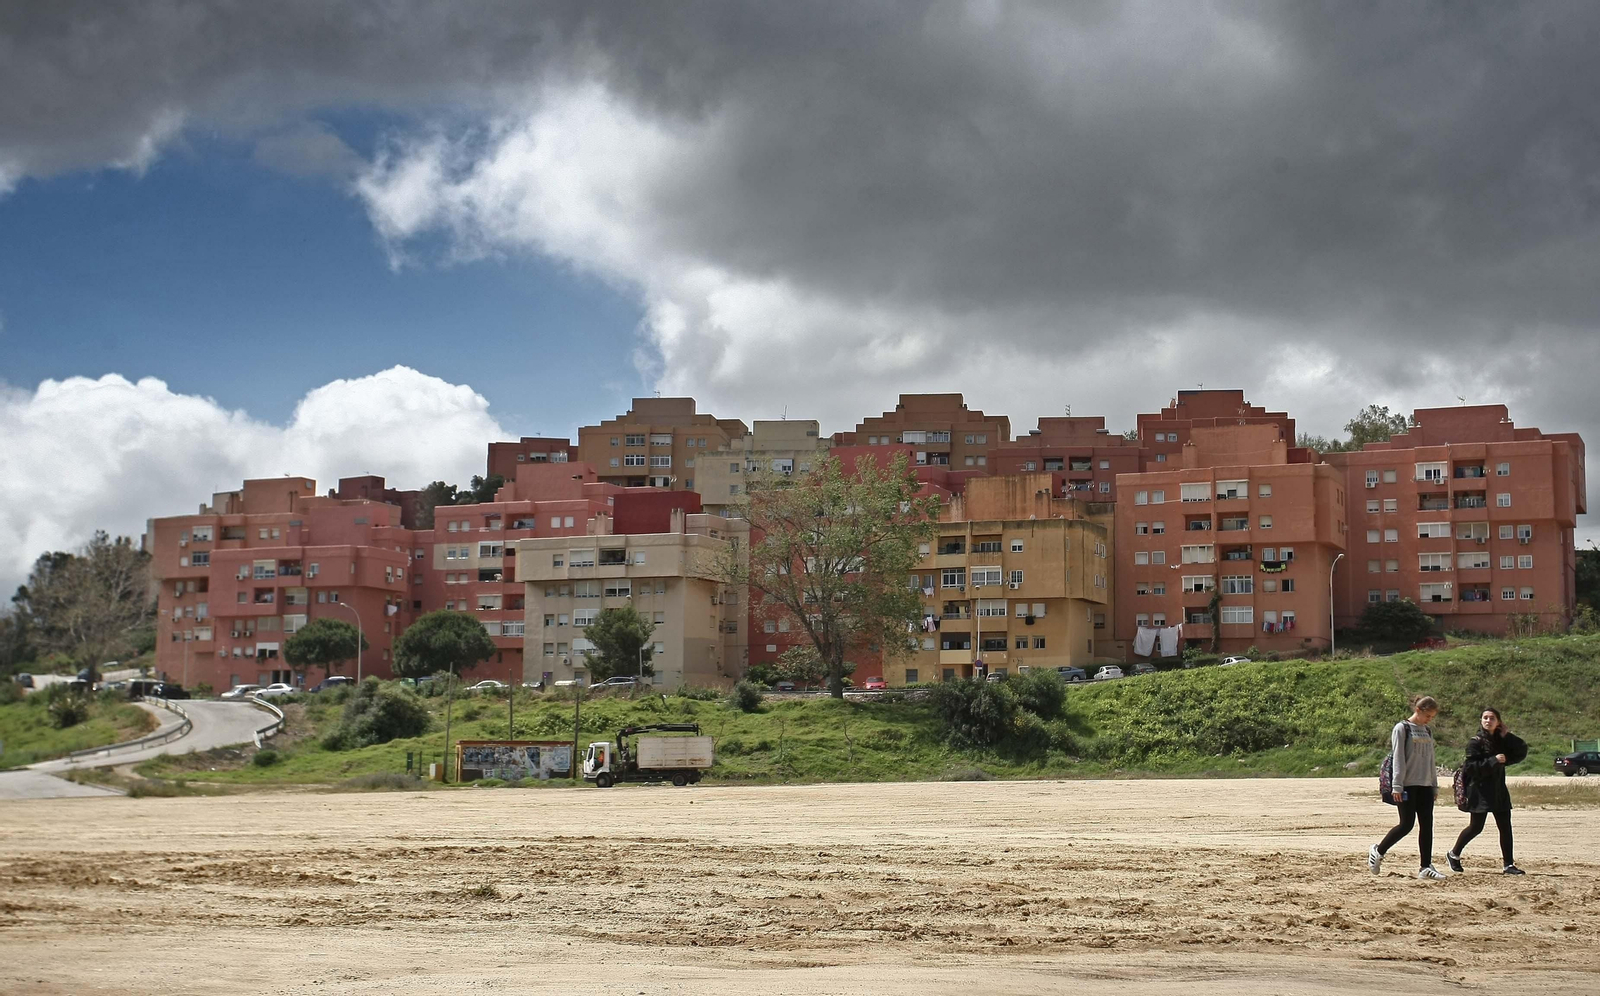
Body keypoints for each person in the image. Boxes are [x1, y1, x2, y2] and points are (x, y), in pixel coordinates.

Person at [1369, 695, 1447, 880]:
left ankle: (1425, 866)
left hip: (1425, 785)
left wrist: (1434, 785)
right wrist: (1397, 786)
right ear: (1418, 710)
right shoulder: (1402, 728)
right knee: (1406, 824)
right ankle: (1378, 851)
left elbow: (1430, 759)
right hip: (1407, 785)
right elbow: (1398, 758)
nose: (1430, 720)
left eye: (1432, 717)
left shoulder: (1427, 731)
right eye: (1428, 715)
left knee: (1427, 825)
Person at [1447, 708, 1527, 875]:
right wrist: (1493, 761)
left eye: (1492, 718)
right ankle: (1453, 854)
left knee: (1505, 827)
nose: (1488, 721)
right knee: (1476, 827)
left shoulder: (1501, 740)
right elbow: (1471, 768)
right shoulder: (1475, 742)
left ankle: (1508, 865)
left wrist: (1508, 735)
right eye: (1485, 718)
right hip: (1479, 791)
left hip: (1498, 789)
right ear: (1481, 721)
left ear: (1498, 722)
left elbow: (1521, 751)